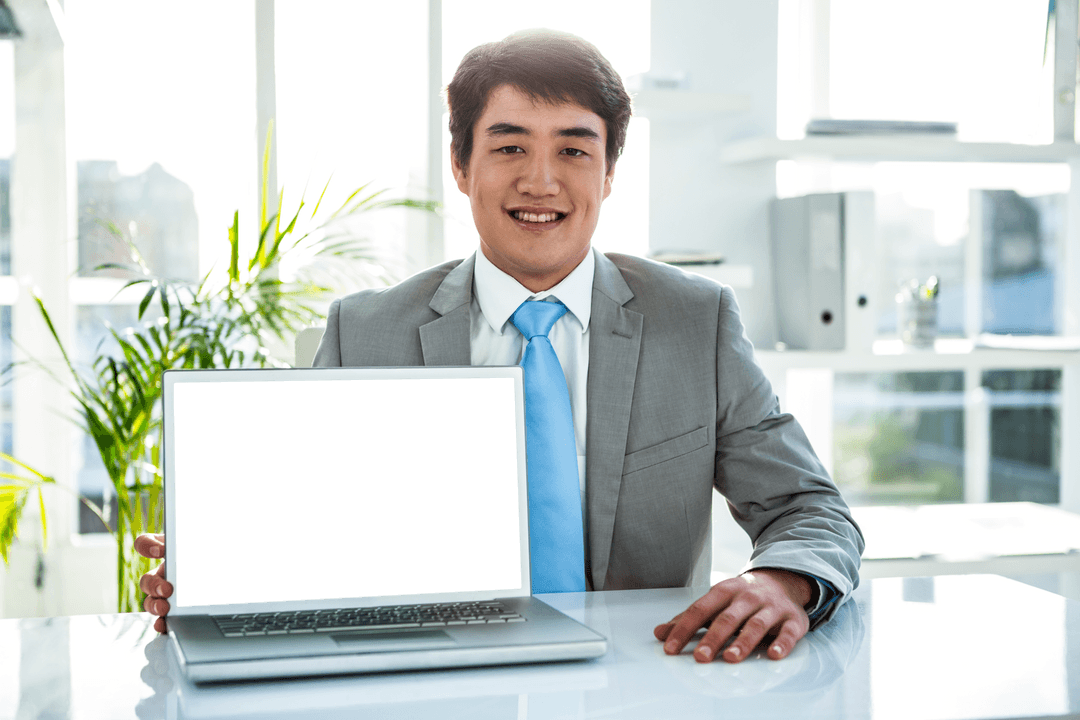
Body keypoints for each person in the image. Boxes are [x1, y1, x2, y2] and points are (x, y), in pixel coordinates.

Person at [136, 29, 863, 665]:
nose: (540, 180)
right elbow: (306, 535)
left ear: (609, 173)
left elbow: (810, 508)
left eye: (574, 150)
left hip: (647, 675)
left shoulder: (694, 321)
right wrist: (223, 573)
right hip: (431, 681)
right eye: (509, 145)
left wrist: (784, 579)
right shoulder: (367, 331)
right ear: (461, 167)